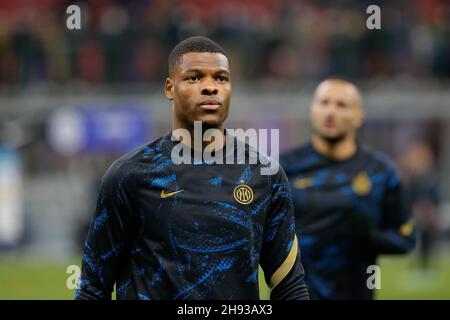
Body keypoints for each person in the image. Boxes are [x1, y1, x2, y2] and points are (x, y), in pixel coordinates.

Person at [75, 36, 309, 300]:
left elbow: (289, 287)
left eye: (221, 78)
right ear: (170, 88)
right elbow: (93, 288)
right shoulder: (129, 176)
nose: (210, 87)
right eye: (194, 78)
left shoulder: (265, 175)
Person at [281, 79, 415, 299]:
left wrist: (370, 238)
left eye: (342, 105)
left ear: (359, 117)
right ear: (312, 110)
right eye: (324, 103)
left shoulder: (379, 171)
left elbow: (406, 238)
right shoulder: (285, 168)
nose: (330, 112)